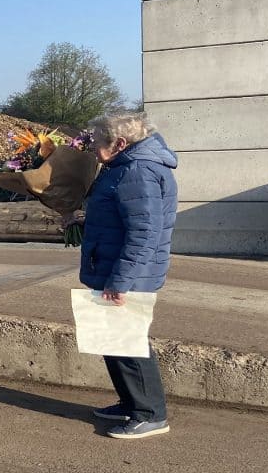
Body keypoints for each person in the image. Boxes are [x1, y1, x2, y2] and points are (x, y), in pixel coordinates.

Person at [80, 112, 177, 439]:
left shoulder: (137, 171)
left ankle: (151, 415)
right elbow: (124, 218)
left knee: (129, 343)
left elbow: (144, 234)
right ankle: (131, 402)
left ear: (120, 144)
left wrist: (120, 282)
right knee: (114, 341)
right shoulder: (125, 166)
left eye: (97, 141)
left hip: (128, 275)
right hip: (115, 268)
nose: (92, 147)